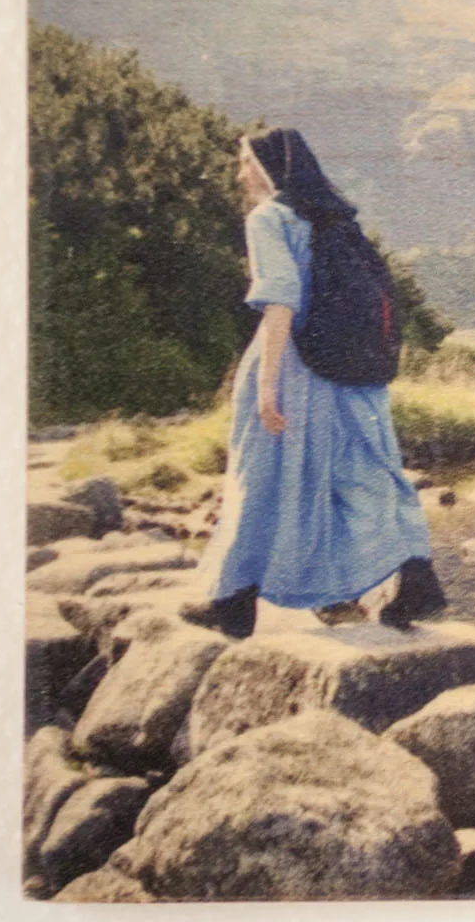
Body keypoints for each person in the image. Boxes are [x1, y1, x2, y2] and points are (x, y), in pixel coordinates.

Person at [185, 129, 445, 639]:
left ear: (269, 166)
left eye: (245, 161)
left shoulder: (269, 218)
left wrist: (267, 385)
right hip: (352, 372)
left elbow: (281, 300)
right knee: (370, 474)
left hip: (296, 366)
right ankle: (417, 580)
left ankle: (234, 600)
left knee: (260, 475)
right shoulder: (336, 219)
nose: (240, 173)